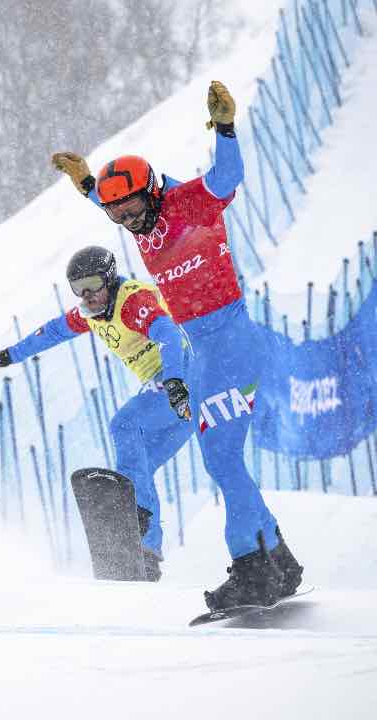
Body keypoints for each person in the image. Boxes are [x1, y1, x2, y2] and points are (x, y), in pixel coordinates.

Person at [50, 81, 303, 610]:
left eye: (131, 209)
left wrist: (226, 128)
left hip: (232, 341)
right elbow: (114, 199)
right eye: (116, 216)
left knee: (223, 460)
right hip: (205, 352)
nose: (127, 221)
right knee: (223, 460)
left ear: (153, 192)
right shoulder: (139, 218)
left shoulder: (190, 203)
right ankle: (277, 560)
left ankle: (253, 569)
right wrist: (87, 185)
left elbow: (228, 178)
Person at [0, 245, 192, 580]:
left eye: (93, 285)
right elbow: (51, 333)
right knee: (138, 468)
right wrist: (4, 357)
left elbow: (169, 335)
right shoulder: (90, 313)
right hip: (171, 394)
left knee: (124, 426)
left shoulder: (132, 302)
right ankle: (146, 552)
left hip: (183, 377)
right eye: (78, 288)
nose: (87, 295)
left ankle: (138, 519)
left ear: (109, 279)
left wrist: (174, 381)